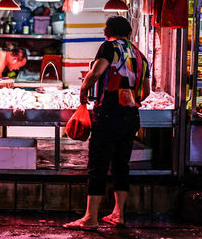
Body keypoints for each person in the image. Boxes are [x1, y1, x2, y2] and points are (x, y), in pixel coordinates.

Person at [63, 16, 150, 230]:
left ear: (107, 33)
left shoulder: (109, 47)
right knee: (122, 165)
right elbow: (146, 92)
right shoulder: (139, 55)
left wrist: (83, 91)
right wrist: (130, 101)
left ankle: (90, 218)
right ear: (129, 34)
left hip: (108, 115)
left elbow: (96, 73)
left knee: (98, 165)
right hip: (131, 117)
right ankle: (118, 215)